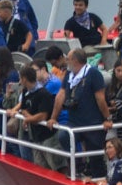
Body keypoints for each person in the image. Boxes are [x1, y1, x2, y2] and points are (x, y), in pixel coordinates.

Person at [48, 48, 112, 177]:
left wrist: (107, 118)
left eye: (68, 59)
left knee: (95, 156)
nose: (66, 61)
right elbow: (60, 96)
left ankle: (98, 177)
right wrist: (53, 118)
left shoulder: (94, 74)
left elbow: (100, 98)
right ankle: (78, 166)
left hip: (92, 121)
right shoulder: (69, 75)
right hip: (74, 121)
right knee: (64, 137)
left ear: (75, 60)